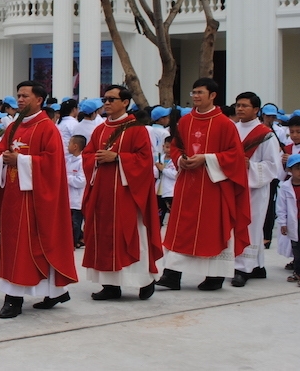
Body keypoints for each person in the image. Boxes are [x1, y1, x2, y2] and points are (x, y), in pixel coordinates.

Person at [156, 78, 251, 291]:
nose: (196, 96)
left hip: (213, 186)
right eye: (194, 92)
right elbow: (177, 147)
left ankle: (215, 276)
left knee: (212, 229)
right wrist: (181, 160)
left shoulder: (225, 123)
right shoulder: (185, 121)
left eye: (200, 92)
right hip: (188, 183)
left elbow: (235, 155)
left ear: (213, 95)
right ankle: (172, 275)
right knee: (180, 228)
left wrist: (206, 159)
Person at [0, 80, 78, 319]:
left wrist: (20, 161)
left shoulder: (47, 127)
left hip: (34, 200)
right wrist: (5, 159)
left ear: (39, 100)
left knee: (31, 245)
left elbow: (53, 165)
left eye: (25, 96)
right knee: (13, 246)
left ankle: (14, 298)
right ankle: (54, 292)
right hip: (12, 195)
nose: (19, 99)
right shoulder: (14, 126)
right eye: (18, 95)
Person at [81, 85, 163, 301]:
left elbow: (145, 160)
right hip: (102, 194)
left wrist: (117, 157)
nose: (106, 103)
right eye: (105, 99)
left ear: (125, 102)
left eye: (112, 99)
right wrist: (95, 159)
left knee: (131, 236)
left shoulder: (136, 129)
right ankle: (110, 285)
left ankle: (144, 281)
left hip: (127, 195)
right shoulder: (100, 129)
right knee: (104, 238)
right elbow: (88, 155)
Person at [230, 92, 281, 286]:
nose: (240, 109)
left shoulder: (265, 135)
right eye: (238, 105)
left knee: (250, 225)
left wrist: (250, 166)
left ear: (256, 110)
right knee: (238, 225)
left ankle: (243, 268)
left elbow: (272, 165)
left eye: (245, 105)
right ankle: (257, 266)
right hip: (233, 186)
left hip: (254, 189)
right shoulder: (232, 129)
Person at [276, 154, 300, 282]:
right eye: (297, 168)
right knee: (296, 248)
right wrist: (282, 223)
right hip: (294, 222)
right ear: (290, 170)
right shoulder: (285, 187)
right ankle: (297, 272)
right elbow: (281, 208)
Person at [66, 135, 86, 248]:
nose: (67, 145)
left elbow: (81, 181)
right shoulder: (69, 160)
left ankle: (72, 244)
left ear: (75, 146)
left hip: (77, 199)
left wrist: (66, 178)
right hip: (69, 197)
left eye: (69, 143)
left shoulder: (81, 161)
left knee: (75, 223)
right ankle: (79, 239)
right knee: (68, 223)